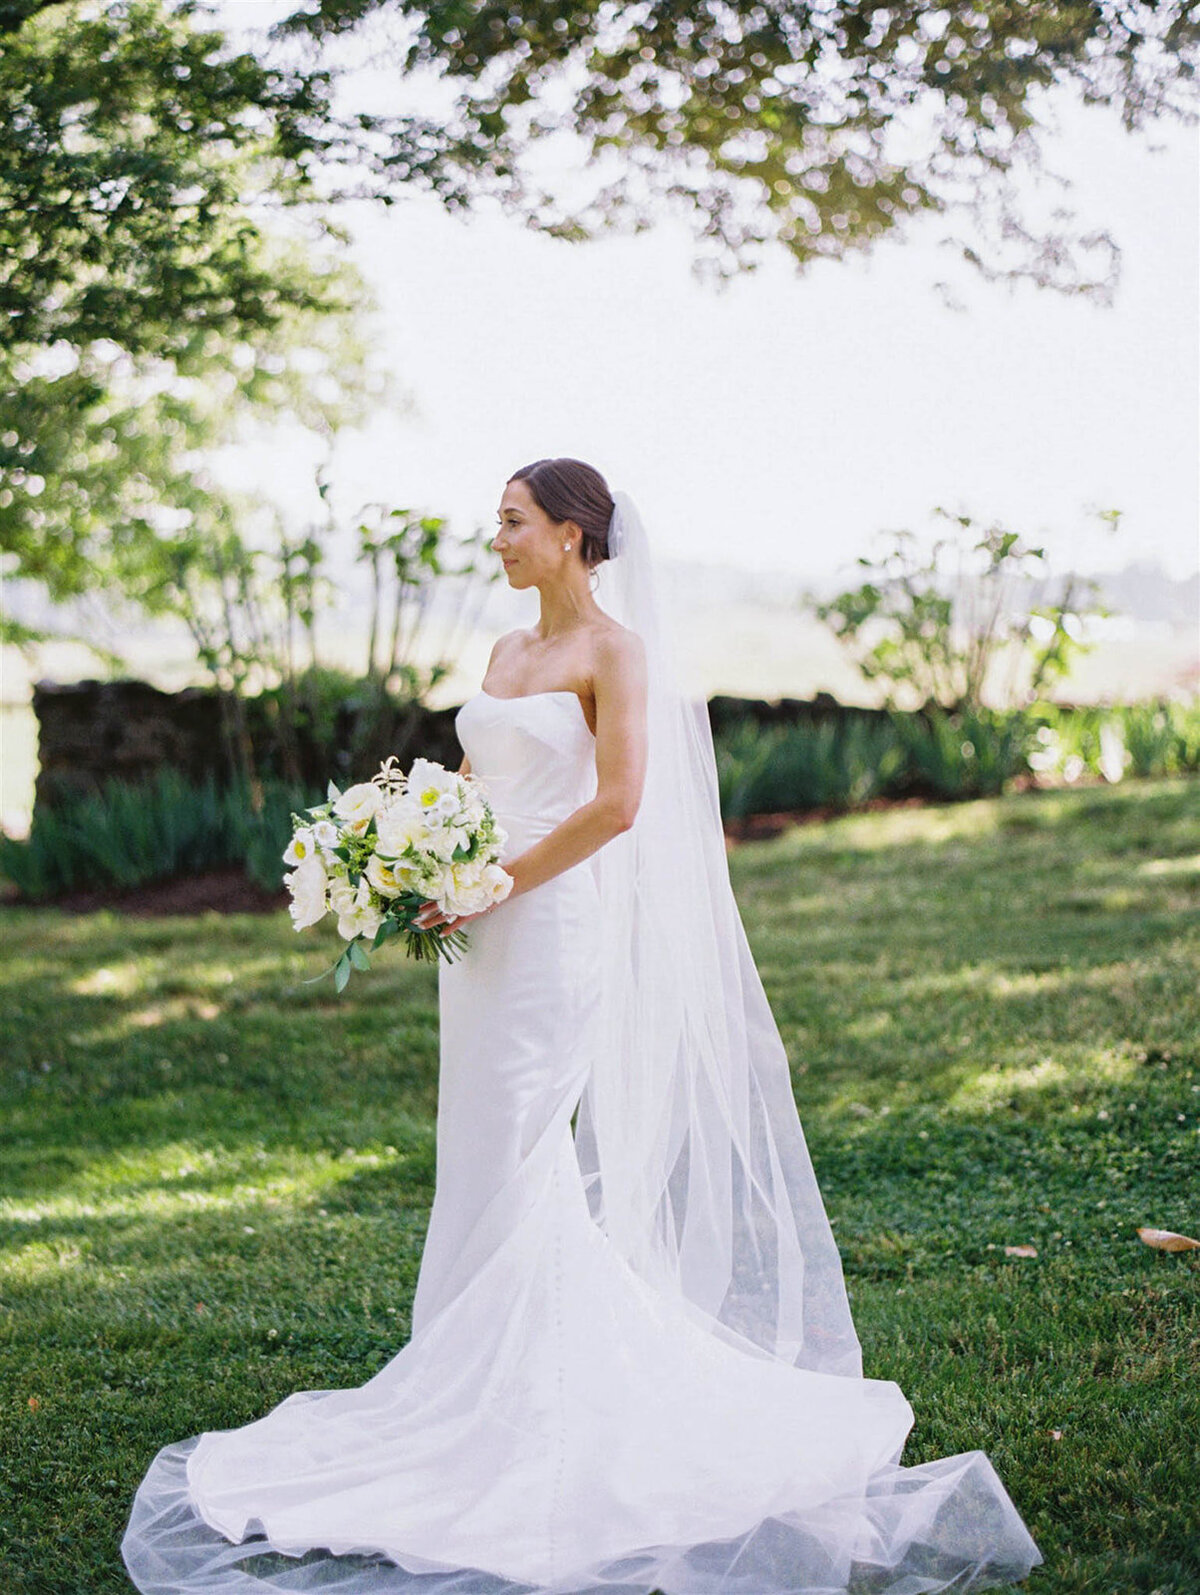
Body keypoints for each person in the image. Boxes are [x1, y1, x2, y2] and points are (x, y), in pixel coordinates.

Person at [121, 458, 1043, 1595]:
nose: (495, 539)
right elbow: (468, 776)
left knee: (519, 1146)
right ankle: (466, 1376)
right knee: (479, 1146)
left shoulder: (615, 651)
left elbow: (616, 802)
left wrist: (499, 880)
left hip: (551, 928)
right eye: (496, 521)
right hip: (479, 928)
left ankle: (531, 1399)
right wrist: (405, 847)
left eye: (511, 522)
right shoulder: (507, 653)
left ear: (571, 534)